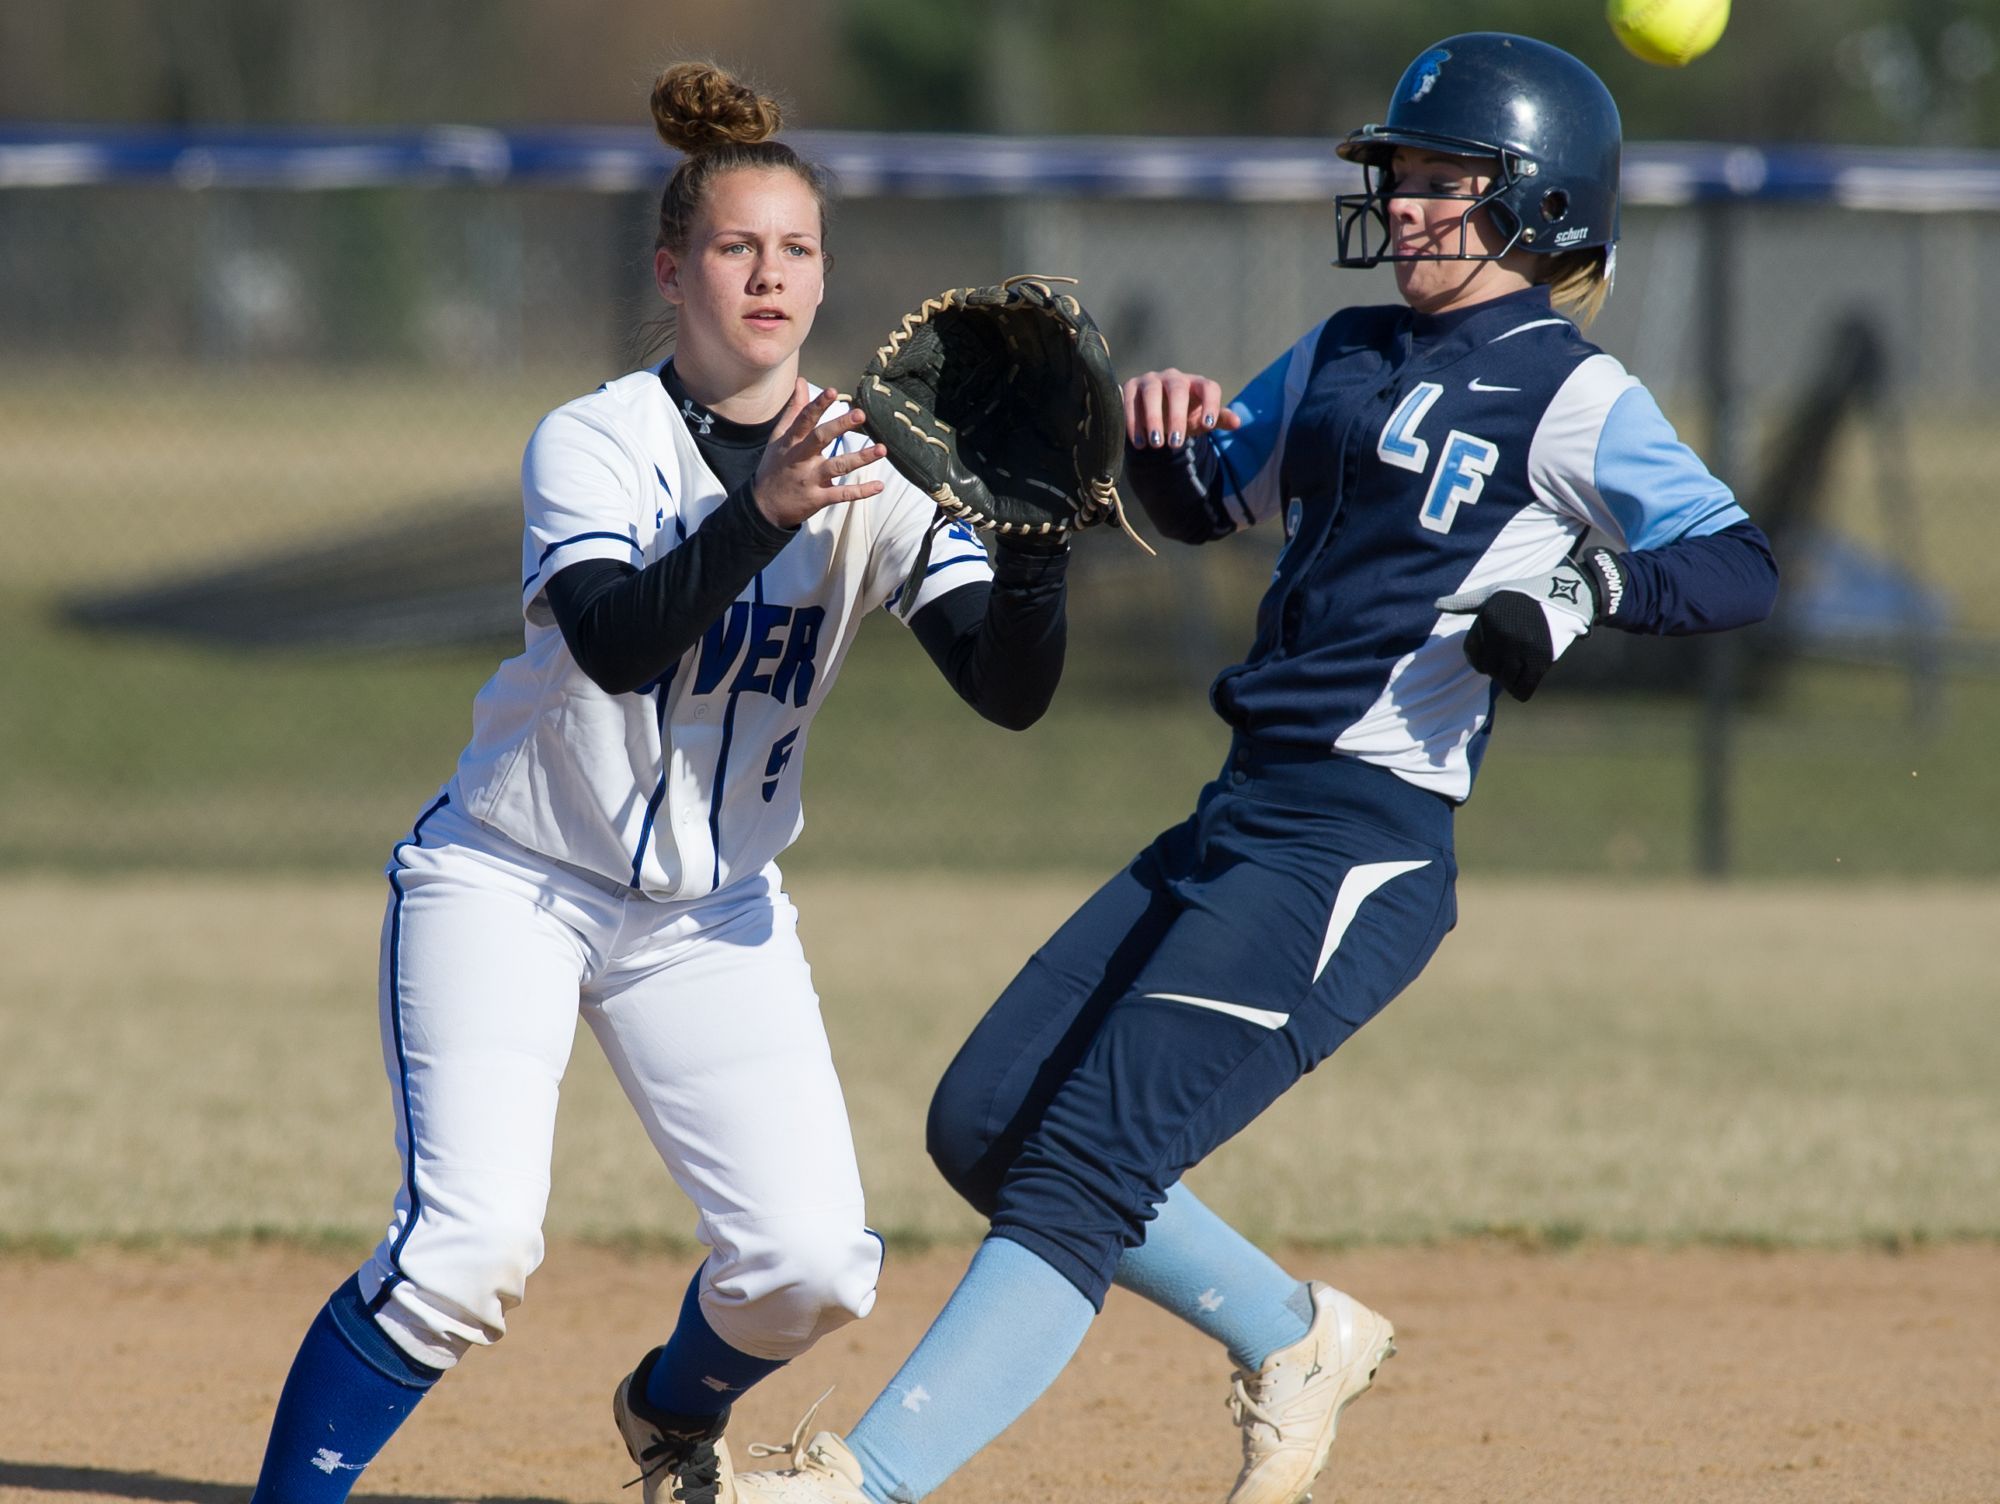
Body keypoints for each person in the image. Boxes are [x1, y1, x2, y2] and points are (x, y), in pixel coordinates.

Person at [727, 32, 1779, 1504]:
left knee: (1086, 1167)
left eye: (1444, 182)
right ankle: (1295, 1338)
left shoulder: (1575, 395)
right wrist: (1156, 439)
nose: (1406, 206)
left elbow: (1738, 566)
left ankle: (865, 1479)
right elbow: (1209, 500)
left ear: (1541, 206)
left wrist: (1586, 595)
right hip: (1242, 813)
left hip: (1358, 848)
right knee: (987, 1123)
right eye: (1400, 178)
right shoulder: (1348, 352)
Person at [245, 61, 1076, 1504]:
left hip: (713, 913)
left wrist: (1037, 551)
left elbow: (1008, 694)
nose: (770, 273)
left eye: (798, 249)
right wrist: (761, 512)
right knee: (469, 1248)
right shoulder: (596, 441)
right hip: (511, 879)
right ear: (673, 268)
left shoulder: (874, 468)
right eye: (738, 246)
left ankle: (666, 1410)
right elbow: (622, 642)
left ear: (826, 282)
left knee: (813, 1272)